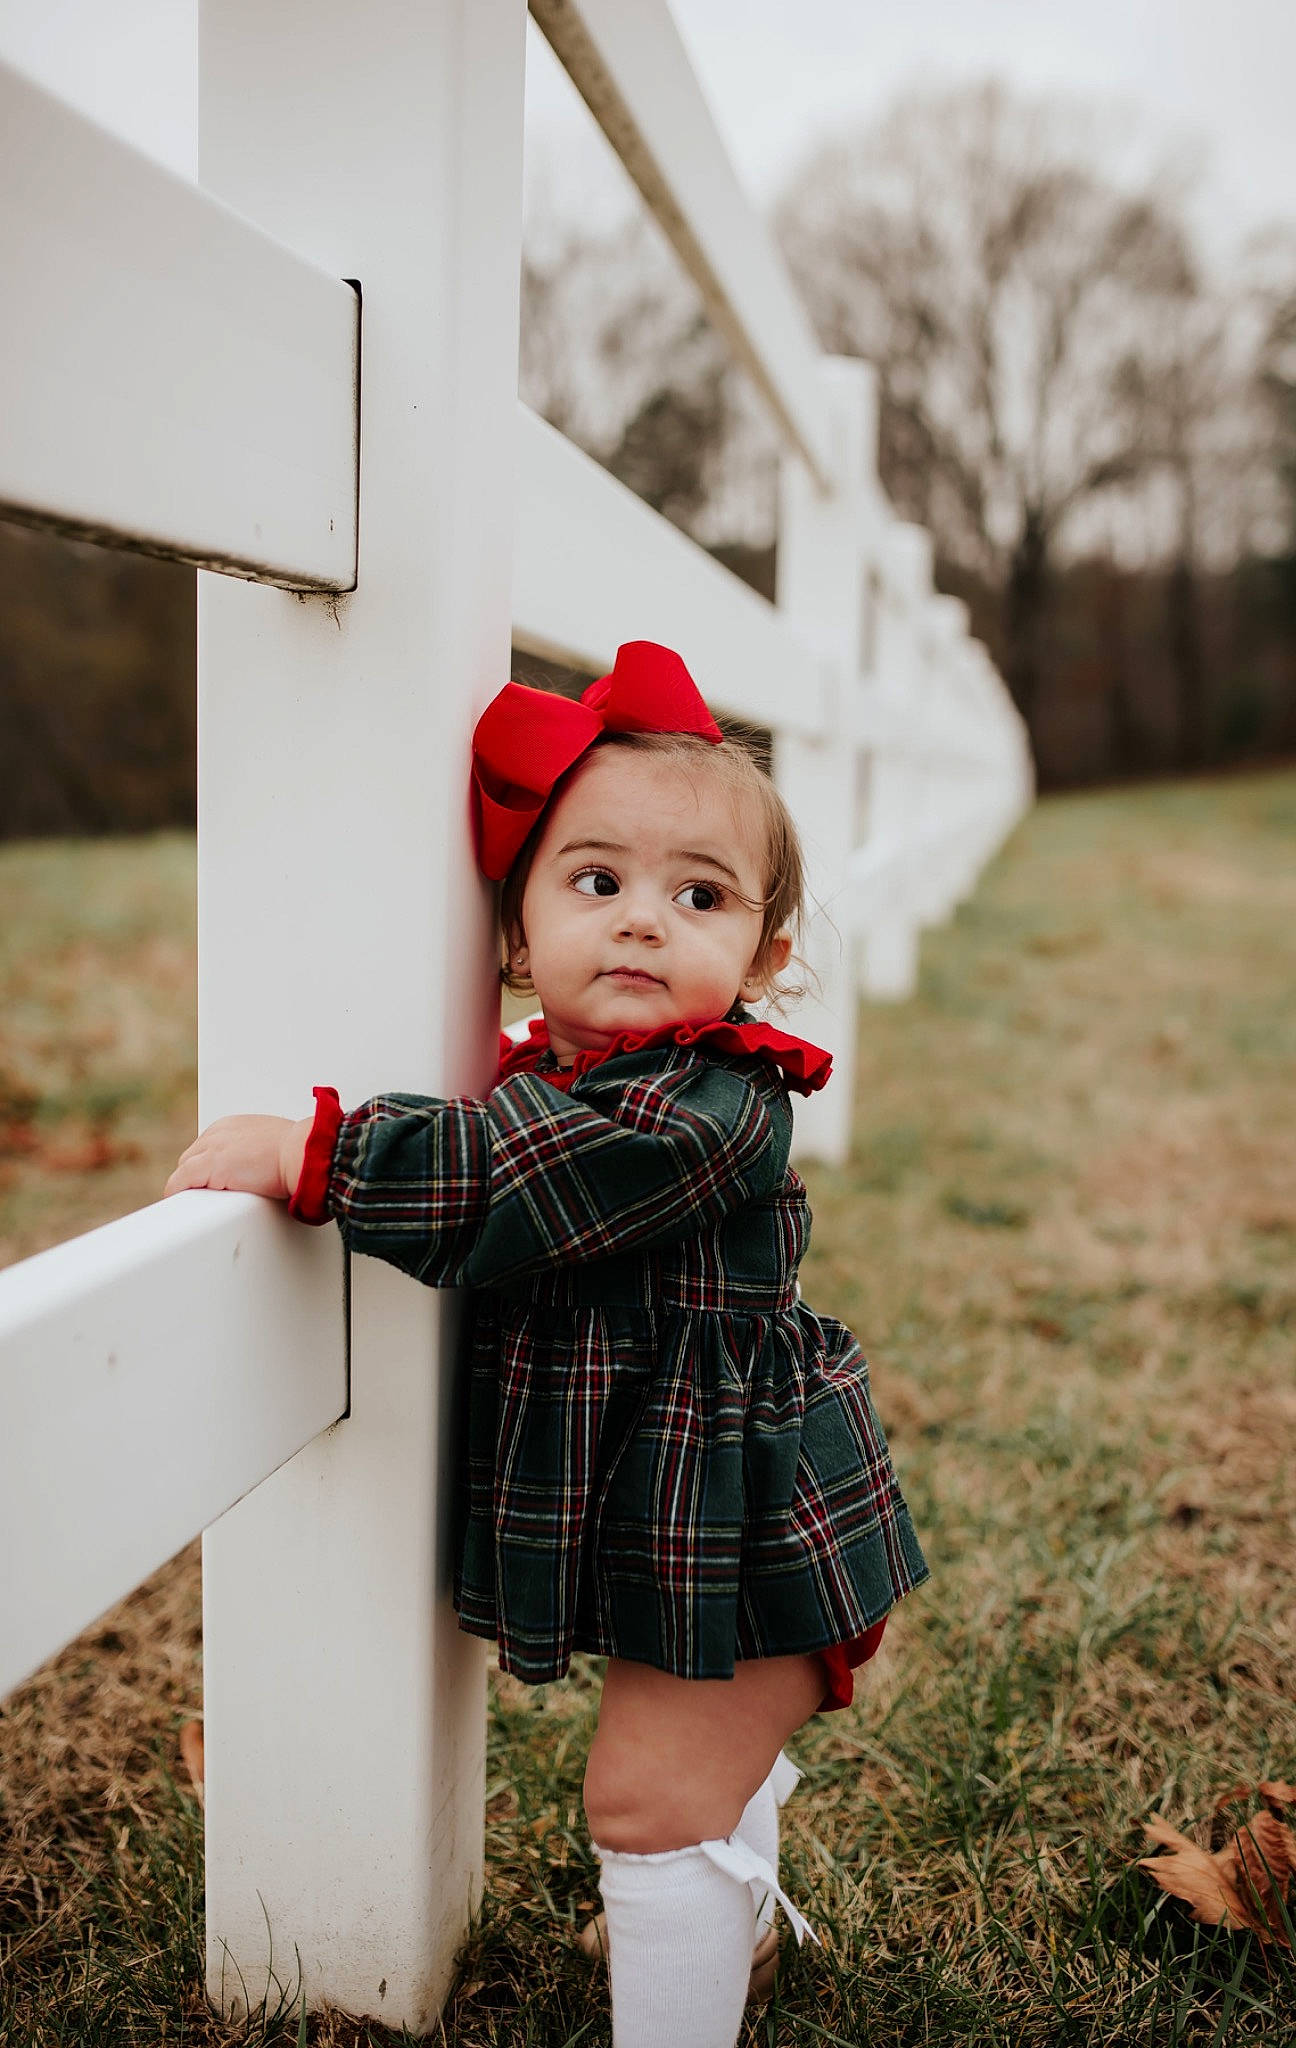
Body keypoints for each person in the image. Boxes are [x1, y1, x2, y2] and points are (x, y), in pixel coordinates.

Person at [166, 640, 928, 2048]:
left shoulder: (703, 1109)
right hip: (677, 1509)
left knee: (644, 1801)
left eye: (698, 895)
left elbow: (511, 1179)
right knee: (684, 1774)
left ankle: (699, 1910)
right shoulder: (559, 1072)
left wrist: (320, 1150)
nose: (644, 920)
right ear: (513, 935)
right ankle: (734, 1884)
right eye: (599, 881)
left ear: (765, 957)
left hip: (742, 1525)